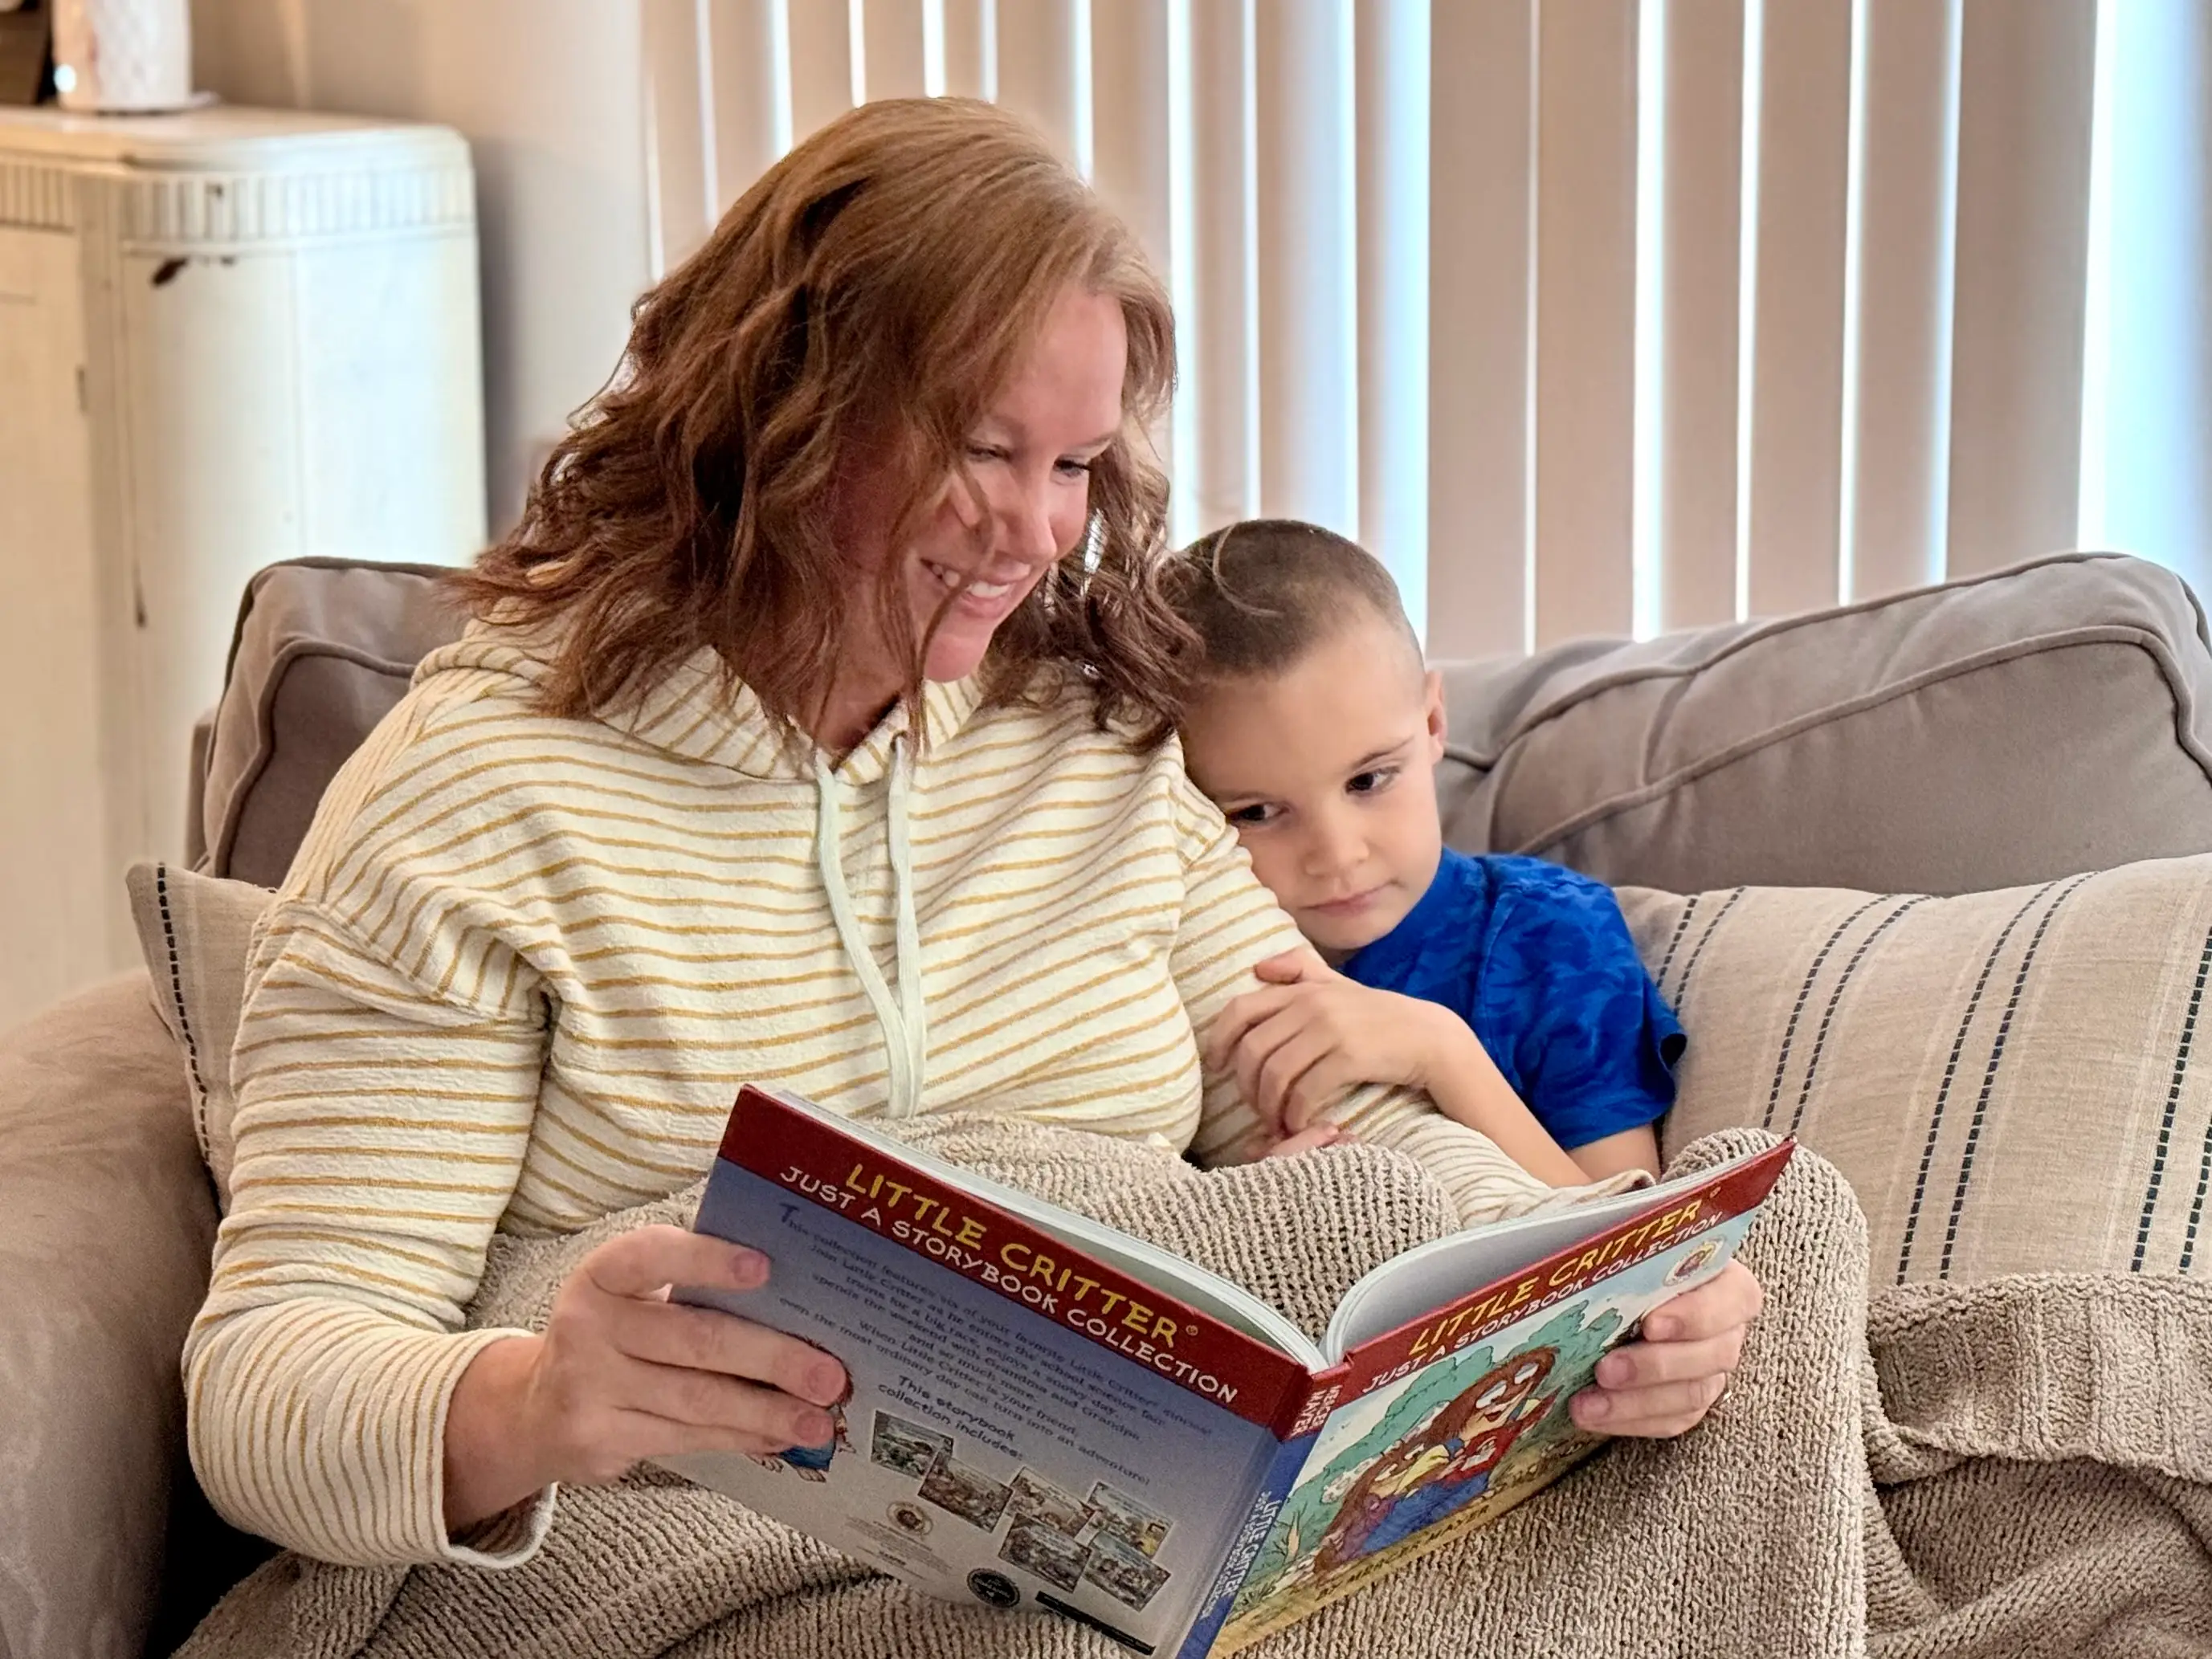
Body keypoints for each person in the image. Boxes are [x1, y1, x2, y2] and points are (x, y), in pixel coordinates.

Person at [182, 98, 1761, 1574]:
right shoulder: (480, 797)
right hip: (708, 1549)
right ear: (783, 411)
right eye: (983, 452)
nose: (1038, 533)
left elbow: (1337, 1134)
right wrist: (527, 1403)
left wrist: (1587, 1295)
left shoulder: (1088, 736)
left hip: (1130, 1528)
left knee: (1775, 1301)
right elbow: (267, 1374)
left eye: (1074, 466)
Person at [1169, 520, 1678, 1187]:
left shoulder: (1553, 937)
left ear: (1434, 722)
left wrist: (1441, 1054)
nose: (1337, 854)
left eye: (1368, 780)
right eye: (1258, 813)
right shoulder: (1181, 968)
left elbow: (1636, 1242)